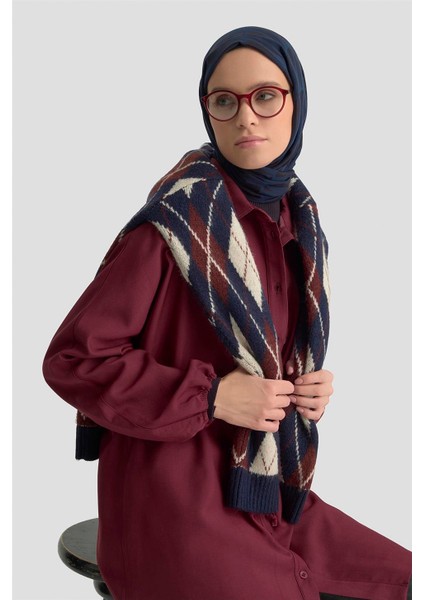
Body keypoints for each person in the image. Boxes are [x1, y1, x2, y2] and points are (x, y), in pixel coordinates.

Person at [43, 26, 412, 600]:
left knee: (405, 578)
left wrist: (302, 389)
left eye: (265, 96)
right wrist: (212, 396)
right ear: (208, 112)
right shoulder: (172, 227)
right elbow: (73, 361)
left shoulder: (298, 218)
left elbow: (267, 358)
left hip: (265, 493)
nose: (246, 118)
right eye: (224, 101)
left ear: (297, 102)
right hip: (171, 509)